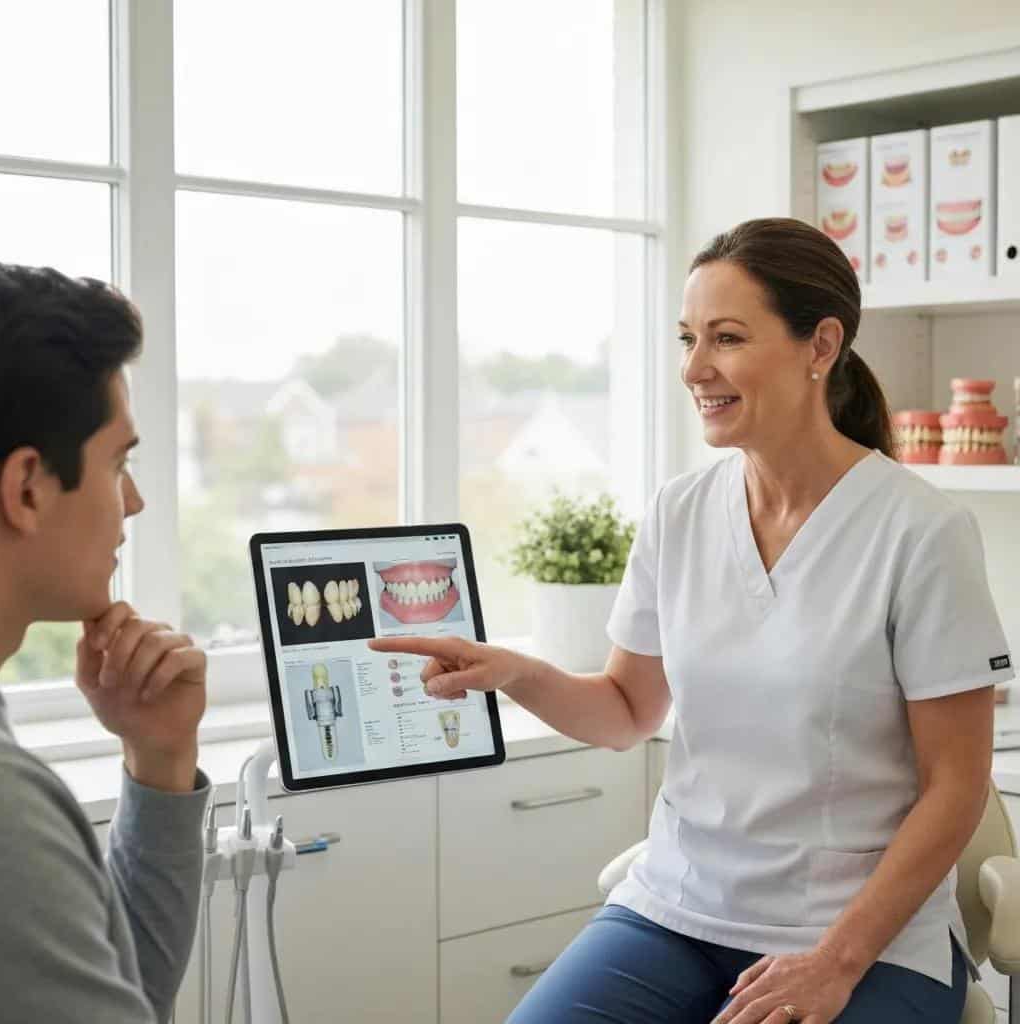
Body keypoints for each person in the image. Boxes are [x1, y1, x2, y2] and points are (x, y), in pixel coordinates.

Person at [370, 218, 1015, 1023]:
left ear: (821, 346)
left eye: (727, 338)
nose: (695, 368)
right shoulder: (680, 513)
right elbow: (627, 711)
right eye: (687, 339)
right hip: (678, 908)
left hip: (860, 936)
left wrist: (833, 963)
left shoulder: (920, 532)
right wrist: (513, 672)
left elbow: (954, 789)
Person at [0, 264, 210, 1022]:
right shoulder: (6, 813)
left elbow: (127, 991)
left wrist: (160, 760)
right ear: (27, 488)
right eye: (119, 463)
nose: (136, 500)